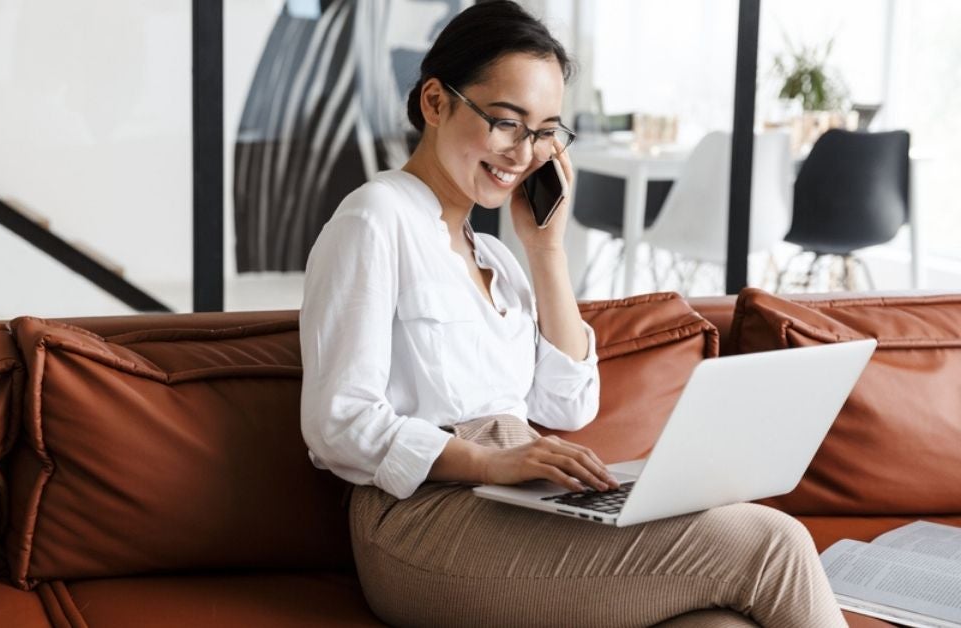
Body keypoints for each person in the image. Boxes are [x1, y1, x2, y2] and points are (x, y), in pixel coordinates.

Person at [299, 3, 846, 626]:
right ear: (434, 101)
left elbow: (569, 406)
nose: (524, 153)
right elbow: (337, 422)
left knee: (720, 623)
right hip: (422, 519)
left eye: (545, 132)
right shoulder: (374, 218)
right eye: (507, 123)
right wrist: (492, 460)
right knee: (773, 545)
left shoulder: (500, 259)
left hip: (514, 496)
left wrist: (546, 251)